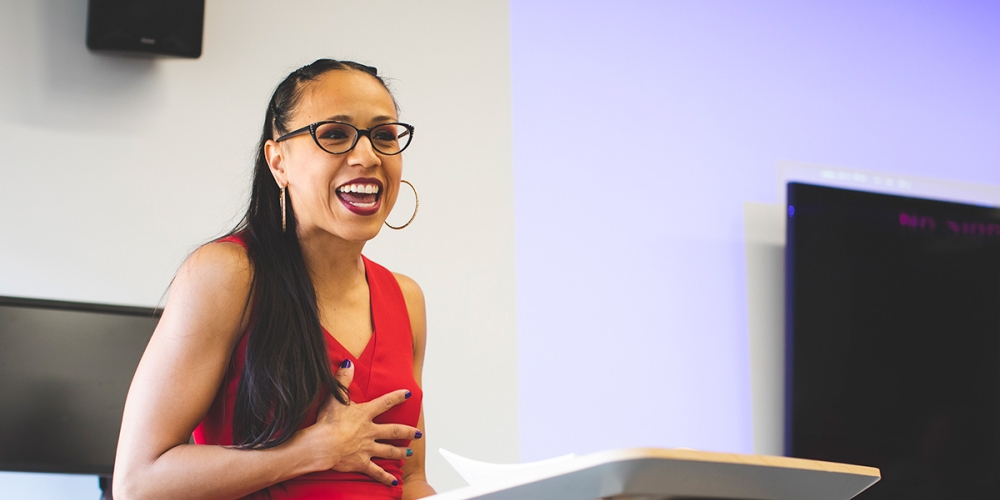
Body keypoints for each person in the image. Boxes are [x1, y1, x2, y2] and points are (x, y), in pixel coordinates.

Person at [113, 59, 435, 500]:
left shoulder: (406, 298)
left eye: (384, 136)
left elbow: (410, 477)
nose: (368, 156)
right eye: (335, 134)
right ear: (278, 160)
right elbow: (140, 483)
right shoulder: (228, 273)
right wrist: (311, 451)